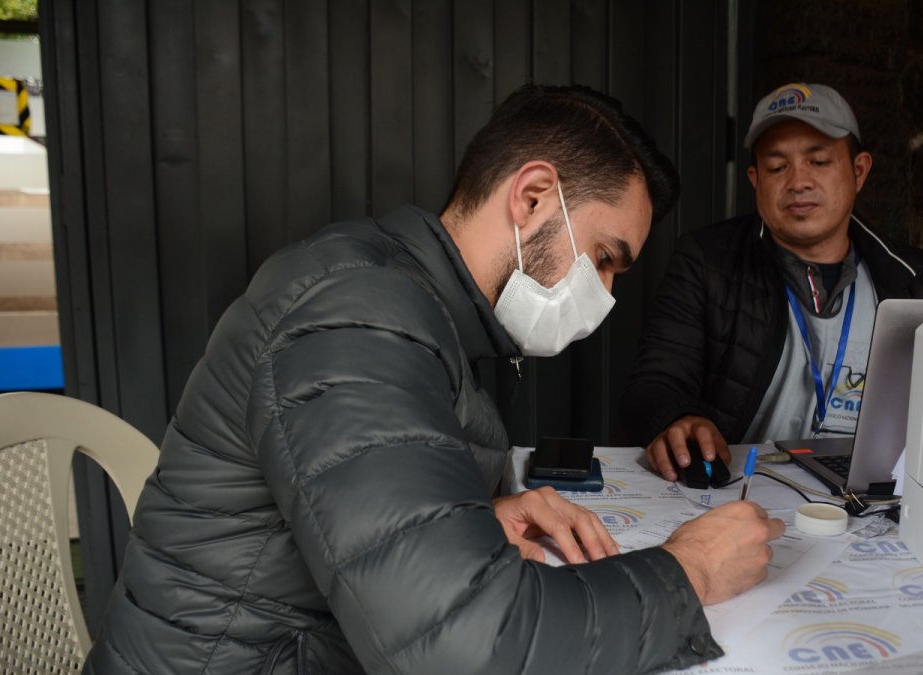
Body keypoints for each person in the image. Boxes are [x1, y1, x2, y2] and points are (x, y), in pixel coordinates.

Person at [82, 84, 784, 675]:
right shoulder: (354, 316)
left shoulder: (408, 301)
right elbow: (465, 644)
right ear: (534, 196)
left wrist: (469, 521)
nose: (603, 295)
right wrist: (684, 574)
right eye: (603, 257)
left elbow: (358, 511)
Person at [620, 82, 923, 481]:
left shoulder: (908, 278)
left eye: (819, 161)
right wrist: (677, 418)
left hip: (860, 496)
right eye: (777, 167)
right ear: (755, 179)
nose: (798, 181)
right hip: (740, 489)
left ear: (859, 171)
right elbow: (655, 381)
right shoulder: (707, 261)